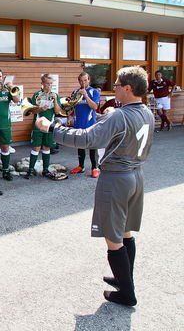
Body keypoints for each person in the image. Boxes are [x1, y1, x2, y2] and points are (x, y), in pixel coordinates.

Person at [36, 66, 154, 307]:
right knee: (125, 231)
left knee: (112, 236)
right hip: (136, 175)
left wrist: (52, 127)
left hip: (117, 178)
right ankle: (125, 279)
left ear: (128, 88)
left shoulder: (119, 116)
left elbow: (87, 138)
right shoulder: (146, 112)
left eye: (117, 84)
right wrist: (108, 115)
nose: (115, 88)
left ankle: (127, 293)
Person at [24, 74, 63, 180]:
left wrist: (55, 100)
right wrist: (41, 109)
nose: (49, 86)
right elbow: (32, 111)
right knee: (36, 147)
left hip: (49, 126)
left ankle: (45, 169)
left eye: (51, 84)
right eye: (47, 83)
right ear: (42, 83)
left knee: (47, 147)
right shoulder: (37, 95)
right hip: (38, 125)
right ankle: (30, 170)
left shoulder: (55, 95)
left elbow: (57, 111)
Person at [69, 72, 101, 178]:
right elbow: (72, 107)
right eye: (81, 80)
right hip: (78, 124)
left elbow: (95, 107)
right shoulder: (75, 92)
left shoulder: (94, 91)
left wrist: (85, 95)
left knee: (92, 147)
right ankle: (81, 166)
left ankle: (94, 167)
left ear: (89, 80)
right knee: (80, 146)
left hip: (90, 124)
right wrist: (70, 116)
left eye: (85, 80)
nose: (83, 82)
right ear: (78, 81)